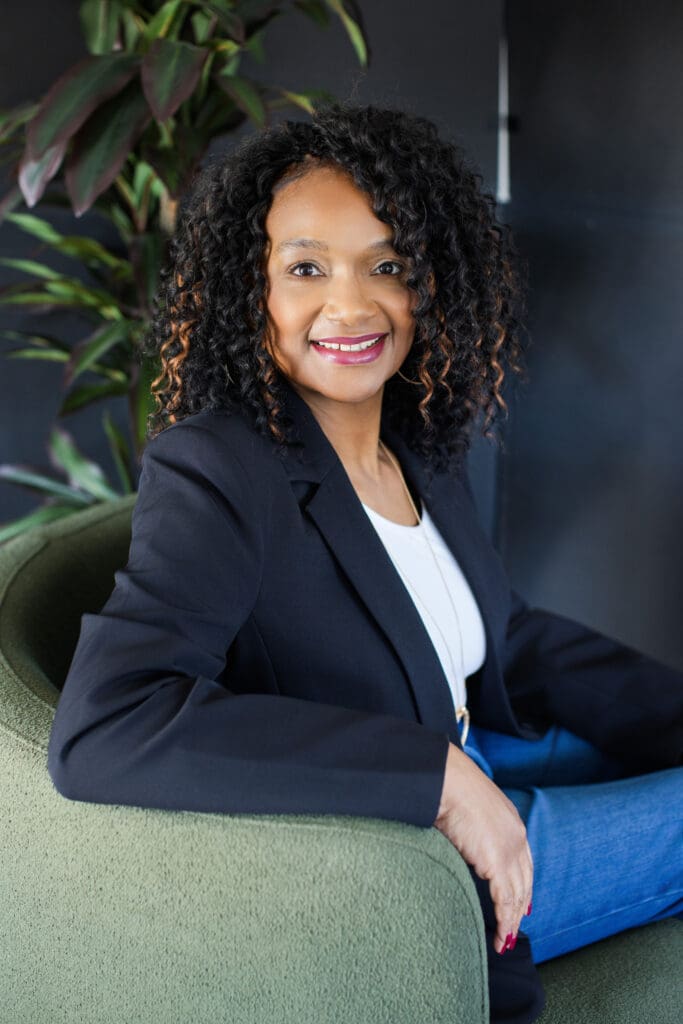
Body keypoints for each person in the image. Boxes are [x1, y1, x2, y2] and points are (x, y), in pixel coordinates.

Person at [47, 102, 683, 1024]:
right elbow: (106, 726)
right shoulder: (217, 468)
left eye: (386, 265)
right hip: (406, 860)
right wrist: (433, 774)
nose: (349, 306)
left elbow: (507, 635)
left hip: (484, 748)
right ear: (249, 290)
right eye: (305, 267)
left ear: (430, 283)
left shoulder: (413, 443)